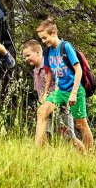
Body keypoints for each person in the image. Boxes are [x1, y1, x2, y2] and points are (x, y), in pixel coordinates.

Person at [34, 18, 90, 148]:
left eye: (44, 37)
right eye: (41, 39)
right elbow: (49, 73)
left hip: (75, 90)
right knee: (42, 112)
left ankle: (90, 154)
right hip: (59, 91)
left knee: (81, 124)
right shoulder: (48, 51)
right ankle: (36, 148)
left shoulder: (66, 47)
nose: (43, 41)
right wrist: (46, 92)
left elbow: (78, 70)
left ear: (53, 33)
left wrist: (74, 93)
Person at [23, 39, 85, 152]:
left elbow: (59, 85)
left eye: (28, 55)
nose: (26, 59)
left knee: (68, 137)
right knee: (45, 131)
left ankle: (85, 154)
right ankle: (44, 154)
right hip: (47, 105)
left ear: (38, 52)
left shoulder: (50, 66)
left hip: (60, 105)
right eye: (25, 56)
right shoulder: (35, 70)